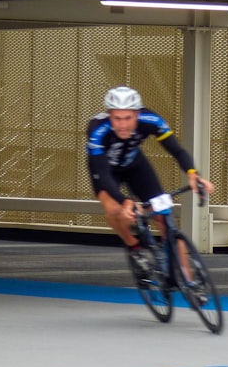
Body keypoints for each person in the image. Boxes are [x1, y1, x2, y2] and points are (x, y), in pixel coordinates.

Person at [86, 86, 213, 272]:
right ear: (109, 115)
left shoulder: (151, 120)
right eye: (117, 118)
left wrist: (193, 173)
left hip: (135, 166)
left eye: (128, 118)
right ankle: (134, 246)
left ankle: (189, 281)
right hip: (107, 172)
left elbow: (176, 150)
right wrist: (125, 201)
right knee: (115, 209)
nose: (122, 125)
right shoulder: (97, 129)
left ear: (137, 114)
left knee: (164, 216)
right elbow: (103, 175)